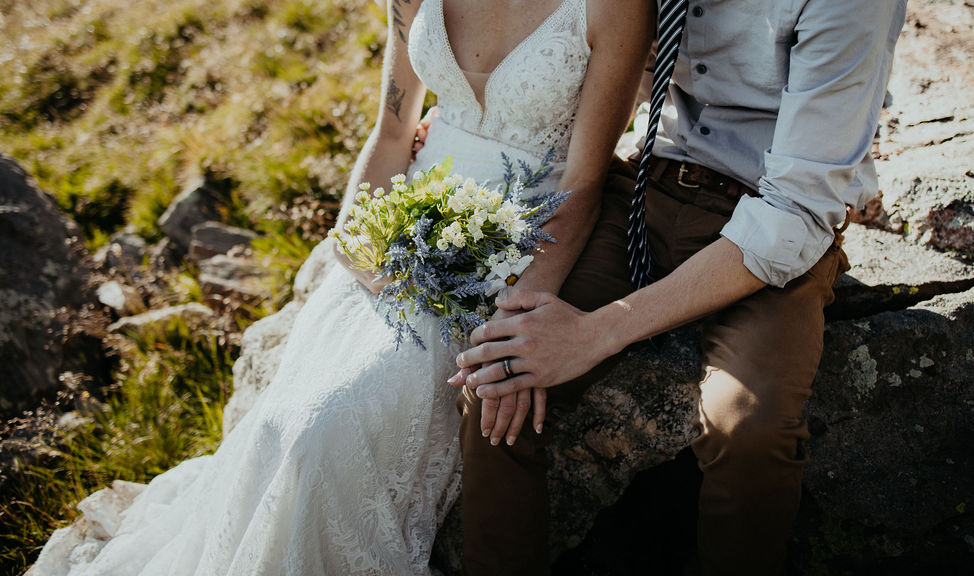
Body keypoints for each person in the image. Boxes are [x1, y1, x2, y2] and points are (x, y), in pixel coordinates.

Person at [28, 0, 653, 574]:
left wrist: (513, 322)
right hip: (400, 230)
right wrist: (354, 246)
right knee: (280, 428)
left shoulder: (613, 5)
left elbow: (580, 185)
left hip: (509, 249)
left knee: (325, 436)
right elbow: (389, 134)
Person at [450, 1, 909, 574]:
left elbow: (795, 210)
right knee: (499, 372)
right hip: (647, 185)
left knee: (750, 431)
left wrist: (597, 332)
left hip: (771, 216)